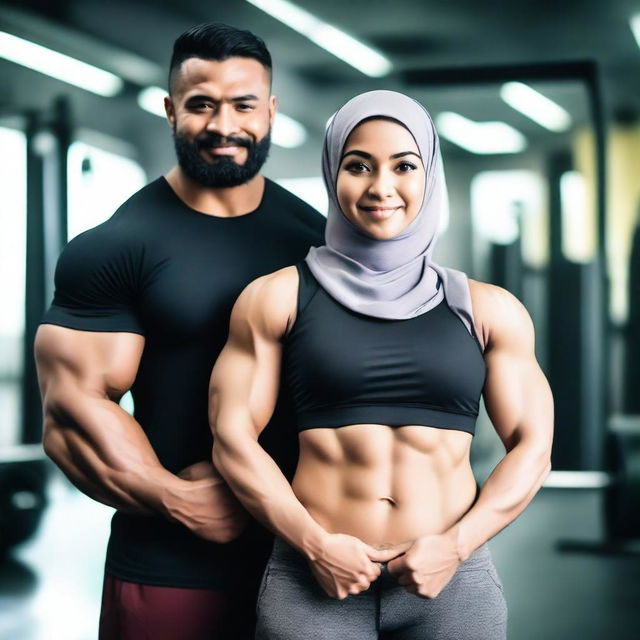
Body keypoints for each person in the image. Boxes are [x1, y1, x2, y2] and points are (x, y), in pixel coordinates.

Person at [210, 90, 554, 639]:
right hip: (314, 577)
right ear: (332, 173)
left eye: (404, 166)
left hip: (450, 580)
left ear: (429, 176)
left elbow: (535, 448)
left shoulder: (489, 309)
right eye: (358, 165)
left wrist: (456, 547)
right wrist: (315, 545)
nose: (380, 187)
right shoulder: (275, 298)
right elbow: (232, 439)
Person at [34, 22, 325, 640]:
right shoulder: (117, 246)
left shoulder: (318, 240)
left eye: (244, 104)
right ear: (171, 110)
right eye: (202, 104)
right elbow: (72, 412)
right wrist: (173, 498)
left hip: (308, 563)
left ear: (270, 110)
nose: (225, 125)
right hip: (173, 565)